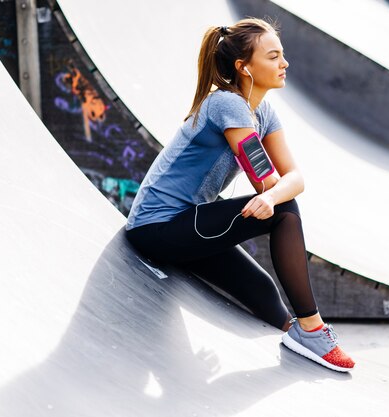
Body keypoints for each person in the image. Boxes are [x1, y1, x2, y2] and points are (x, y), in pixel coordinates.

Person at [125, 18, 355, 372]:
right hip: (158, 227)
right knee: (284, 212)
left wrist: (273, 194)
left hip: (188, 225)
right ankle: (313, 329)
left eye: (282, 55)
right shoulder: (227, 106)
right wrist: (273, 196)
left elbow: (295, 178)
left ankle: (298, 334)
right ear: (243, 67)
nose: (284, 64)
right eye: (273, 56)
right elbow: (267, 182)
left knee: (261, 287)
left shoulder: (262, 112)